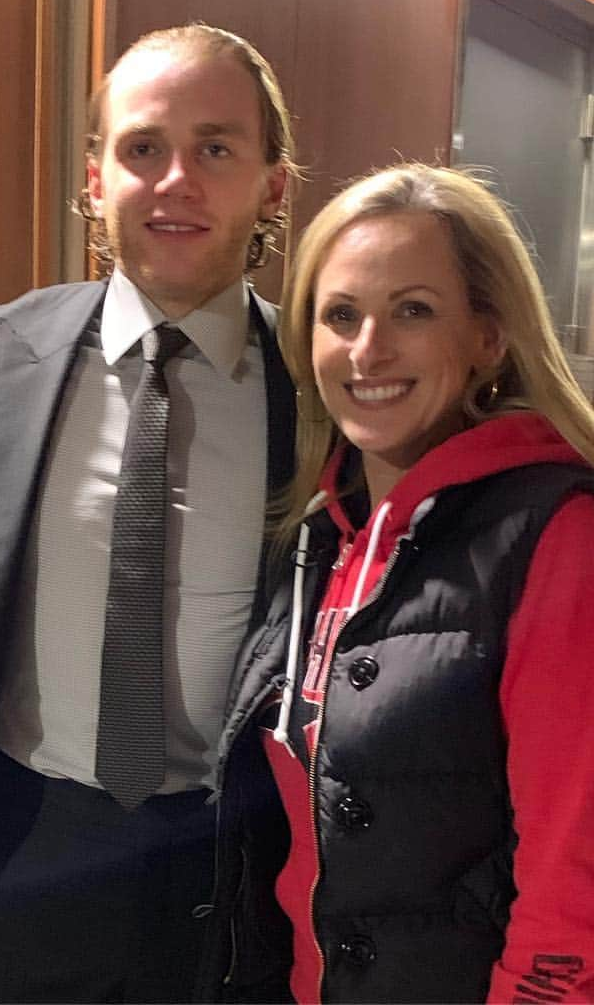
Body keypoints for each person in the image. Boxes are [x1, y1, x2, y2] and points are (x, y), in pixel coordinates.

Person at [0, 23, 297, 1003]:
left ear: (273, 186)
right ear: (94, 179)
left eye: (215, 148)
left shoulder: (326, 394)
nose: (175, 181)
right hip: (22, 846)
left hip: (233, 862)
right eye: (142, 148)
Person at [213, 163, 594, 1003]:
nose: (368, 349)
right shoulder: (319, 540)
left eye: (413, 312)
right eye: (340, 315)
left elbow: (575, 873)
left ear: (488, 338)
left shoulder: (556, 536)